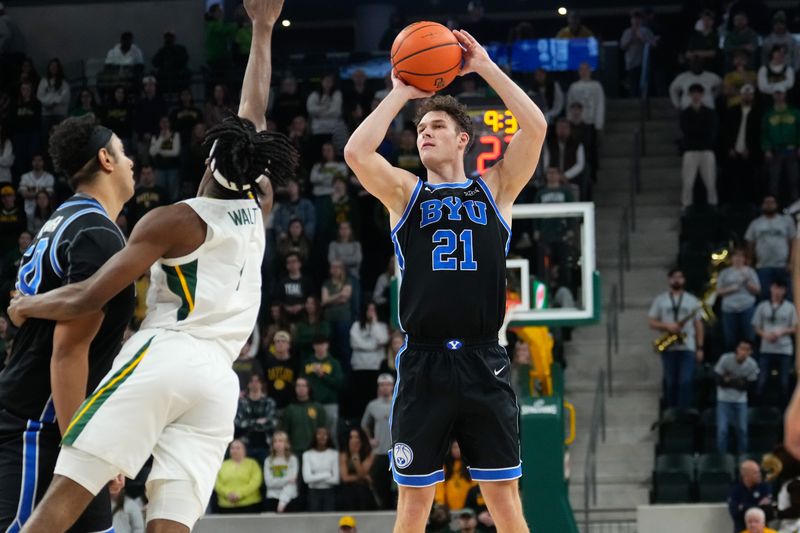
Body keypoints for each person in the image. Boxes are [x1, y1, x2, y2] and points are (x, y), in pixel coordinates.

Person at [8, 2, 297, 531]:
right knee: (171, 523)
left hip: (167, 355)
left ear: (210, 159)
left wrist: (28, 305)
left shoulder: (174, 220)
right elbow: (254, 116)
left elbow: (86, 298)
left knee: (63, 499)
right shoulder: (260, 204)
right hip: (219, 381)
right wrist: (262, 29)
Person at [344, 27, 546, 533]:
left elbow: (536, 126)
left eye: (436, 126)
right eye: (420, 130)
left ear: (463, 138)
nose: (424, 133)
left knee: (505, 503)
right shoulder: (405, 194)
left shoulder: (495, 189)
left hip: (484, 358)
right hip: (423, 361)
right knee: (413, 505)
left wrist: (483, 65)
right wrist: (400, 92)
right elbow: (357, 153)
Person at [0, 112, 137, 533]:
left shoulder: (57, 222)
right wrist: (81, 449)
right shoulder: (97, 232)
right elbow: (67, 352)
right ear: (106, 159)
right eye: (124, 152)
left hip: (62, 423)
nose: (132, 161)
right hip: (41, 432)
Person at [648, 268, 704, 409]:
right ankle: (671, 411)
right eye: (674, 277)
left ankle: (683, 412)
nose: (677, 280)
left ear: (684, 280)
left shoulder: (692, 301)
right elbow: (651, 322)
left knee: (685, 381)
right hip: (669, 345)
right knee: (671, 381)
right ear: (669, 280)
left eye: (680, 277)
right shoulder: (660, 300)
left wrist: (700, 347)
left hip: (688, 345)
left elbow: (698, 325)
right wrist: (667, 325)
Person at [753, 280, 797, 405]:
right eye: (775, 288)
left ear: (784, 291)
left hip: (784, 349)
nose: (777, 291)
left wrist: (783, 331)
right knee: (762, 380)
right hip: (766, 348)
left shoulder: (790, 307)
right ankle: (759, 406)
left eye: (780, 289)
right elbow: (756, 326)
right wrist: (765, 334)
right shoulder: (763, 306)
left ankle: (783, 409)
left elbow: (795, 327)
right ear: (771, 289)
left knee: (784, 382)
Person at [745, 196, 796, 299]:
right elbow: (750, 243)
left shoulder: (786, 221)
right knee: (763, 297)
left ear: (776, 205)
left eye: (771, 202)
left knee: (787, 298)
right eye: (766, 202)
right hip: (763, 266)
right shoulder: (755, 223)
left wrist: (791, 262)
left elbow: (792, 242)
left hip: (782, 266)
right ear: (762, 205)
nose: (769, 205)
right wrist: (750, 260)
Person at [715, 340, 758, 454]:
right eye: (741, 348)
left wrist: (729, 380)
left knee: (742, 430)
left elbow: (748, 386)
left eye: (747, 350)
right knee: (722, 431)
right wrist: (738, 382)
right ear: (737, 349)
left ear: (750, 352)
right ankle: (722, 457)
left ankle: (742, 457)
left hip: (741, 401)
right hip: (723, 400)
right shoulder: (726, 359)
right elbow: (718, 380)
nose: (743, 352)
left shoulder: (752, 364)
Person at [679, 84, 718, 208]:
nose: (696, 96)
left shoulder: (709, 112)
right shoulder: (685, 113)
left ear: (702, 95)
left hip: (706, 150)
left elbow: (711, 130)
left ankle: (713, 206)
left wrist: (700, 133)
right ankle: (686, 206)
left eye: (698, 93)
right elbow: (686, 130)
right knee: (688, 182)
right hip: (691, 151)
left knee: (711, 182)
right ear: (690, 95)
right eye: (693, 93)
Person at [720, 84, 760, 204]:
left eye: (750, 94)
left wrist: (750, 149)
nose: (747, 96)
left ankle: (750, 205)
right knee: (729, 181)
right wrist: (729, 148)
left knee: (749, 182)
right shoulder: (732, 111)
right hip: (733, 152)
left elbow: (758, 135)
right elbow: (725, 132)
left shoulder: (757, 112)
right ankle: (728, 205)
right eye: (745, 93)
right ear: (741, 95)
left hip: (749, 154)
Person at [350, 302, 390, 416]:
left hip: (376, 367)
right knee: (360, 398)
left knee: (374, 397)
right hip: (359, 367)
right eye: (369, 310)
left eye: (373, 310)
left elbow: (383, 340)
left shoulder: (381, 326)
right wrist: (374, 346)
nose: (371, 312)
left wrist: (375, 324)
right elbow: (355, 343)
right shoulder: (356, 325)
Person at [362, 373, 395, 510]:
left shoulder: (400, 401)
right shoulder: (372, 405)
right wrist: (370, 439)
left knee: (395, 487)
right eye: (382, 385)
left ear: (393, 386)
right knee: (379, 484)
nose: (385, 387)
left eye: (387, 384)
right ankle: (382, 510)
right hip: (380, 451)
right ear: (379, 387)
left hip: (396, 452)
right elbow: (364, 424)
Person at [717, 247, 760, 351]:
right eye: (735, 256)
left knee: (749, 337)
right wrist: (731, 289)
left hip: (747, 307)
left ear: (744, 259)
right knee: (731, 339)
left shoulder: (750, 272)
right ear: (731, 259)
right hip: (729, 309)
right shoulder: (724, 273)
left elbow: (757, 290)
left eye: (741, 256)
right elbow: (718, 292)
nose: (738, 259)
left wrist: (747, 282)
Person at [302, 335, 344, 436]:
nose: (320, 347)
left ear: (327, 346)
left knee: (331, 433)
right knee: (311, 432)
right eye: (317, 344)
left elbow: (339, 384)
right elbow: (302, 382)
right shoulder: (307, 363)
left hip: (329, 403)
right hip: (311, 404)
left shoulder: (334, 363)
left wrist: (323, 375)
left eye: (322, 344)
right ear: (314, 346)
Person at [234, 373, 277, 463]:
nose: (254, 383)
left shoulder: (269, 402)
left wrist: (250, 423)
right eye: (252, 381)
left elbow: (272, 423)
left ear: (261, 384)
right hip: (245, 444)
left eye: (257, 381)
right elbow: (239, 423)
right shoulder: (242, 403)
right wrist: (258, 422)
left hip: (266, 444)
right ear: (248, 384)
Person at [280, 376, 328, 455]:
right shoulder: (289, 409)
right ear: (295, 388)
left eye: (303, 385)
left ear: (308, 388)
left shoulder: (318, 408)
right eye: (298, 386)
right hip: (295, 450)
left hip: (314, 450)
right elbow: (285, 432)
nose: (301, 388)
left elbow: (322, 430)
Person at [213, 439, 263, 513]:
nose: (235, 450)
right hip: (226, 506)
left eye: (238, 448)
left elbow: (255, 482)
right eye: (232, 448)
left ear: (244, 450)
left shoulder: (253, 464)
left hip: (250, 505)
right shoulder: (222, 465)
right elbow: (216, 483)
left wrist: (239, 494)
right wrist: (227, 493)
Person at [729, 460, 773, 533]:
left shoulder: (764, 487)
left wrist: (744, 507)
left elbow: (769, 512)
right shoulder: (735, 490)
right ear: (746, 476)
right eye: (755, 473)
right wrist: (758, 506)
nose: (759, 475)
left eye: (759, 472)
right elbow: (735, 514)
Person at [302, 426, 339, 512]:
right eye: (319, 434)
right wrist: (327, 474)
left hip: (329, 492)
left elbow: (336, 480)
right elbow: (307, 479)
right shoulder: (307, 454)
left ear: (328, 437)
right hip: (313, 493)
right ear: (315, 436)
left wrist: (314, 477)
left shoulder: (334, 454)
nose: (322, 437)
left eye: (325, 434)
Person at [620, 10, 656, 97]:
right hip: (631, 63)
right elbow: (622, 47)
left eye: (638, 18)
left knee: (645, 85)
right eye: (633, 18)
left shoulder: (646, 31)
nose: (635, 20)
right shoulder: (627, 32)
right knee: (633, 86)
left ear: (641, 20)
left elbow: (654, 45)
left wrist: (642, 39)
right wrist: (631, 39)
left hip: (644, 63)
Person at [339, 427, 376, 511]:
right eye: (351, 437)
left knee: (362, 491)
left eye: (357, 437)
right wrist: (364, 477)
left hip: (363, 489)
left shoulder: (369, 454)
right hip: (348, 489)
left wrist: (355, 455)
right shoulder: (343, 455)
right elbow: (345, 478)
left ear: (362, 439)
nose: (354, 440)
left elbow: (361, 473)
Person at [435, 441, 477, 511]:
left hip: (469, 509)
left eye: (459, 447)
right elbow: (439, 486)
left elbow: (475, 486)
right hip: (448, 509)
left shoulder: (470, 465)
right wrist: (440, 502)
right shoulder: (445, 466)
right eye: (455, 447)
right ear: (450, 449)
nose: (457, 450)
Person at [263, 430, 299, 512]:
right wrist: (286, 480)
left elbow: (292, 481)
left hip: (290, 498)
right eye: (275, 441)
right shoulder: (268, 461)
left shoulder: (292, 459)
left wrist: (283, 501)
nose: (278, 443)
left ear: (286, 444)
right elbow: (269, 483)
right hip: (272, 497)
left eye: (281, 441)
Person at [274, 252, 314, 323]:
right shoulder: (282, 282)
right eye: (289, 262)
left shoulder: (307, 281)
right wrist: (286, 307)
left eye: (294, 261)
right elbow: (278, 299)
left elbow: (312, 298)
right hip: (286, 316)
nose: (291, 264)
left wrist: (301, 306)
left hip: (304, 315)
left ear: (299, 264)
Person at [148, 116, 181, 202]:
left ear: (170, 123)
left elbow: (175, 152)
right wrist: (161, 138)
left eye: (167, 122)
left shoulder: (175, 135)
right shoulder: (156, 136)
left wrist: (160, 152)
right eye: (163, 122)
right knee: (160, 192)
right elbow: (152, 153)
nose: (165, 124)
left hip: (172, 168)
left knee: (173, 193)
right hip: (159, 168)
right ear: (160, 124)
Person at [263, 330, 298, 411]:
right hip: (272, 404)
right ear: (274, 345)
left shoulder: (295, 362)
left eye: (283, 341)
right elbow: (264, 382)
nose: (280, 344)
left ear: (289, 345)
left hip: (290, 404)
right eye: (277, 341)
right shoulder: (268, 362)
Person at [127, 164, 167, 228]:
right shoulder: (135, 193)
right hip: (140, 226)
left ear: (153, 174)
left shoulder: (161, 192)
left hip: (157, 225)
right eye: (144, 173)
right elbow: (131, 214)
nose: (146, 176)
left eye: (148, 173)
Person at [36, 58, 70, 131]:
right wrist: (48, 104)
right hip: (46, 113)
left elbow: (65, 96)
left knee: (62, 135)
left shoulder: (64, 82)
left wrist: (55, 103)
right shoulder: (44, 81)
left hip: (60, 113)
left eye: (55, 66)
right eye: (51, 66)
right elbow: (40, 96)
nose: (53, 68)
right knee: (45, 135)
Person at [293, 296, 331, 360]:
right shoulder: (301, 323)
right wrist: (314, 338)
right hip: (303, 356)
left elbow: (324, 338)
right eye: (307, 303)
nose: (309, 305)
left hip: (320, 356)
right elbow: (297, 340)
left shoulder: (323, 323)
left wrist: (305, 338)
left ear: (317, 305)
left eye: (312, 303)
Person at [18, 153, 54, 220]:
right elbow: (23, 194)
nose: (37, 163)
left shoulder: (49, 177)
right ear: (32, 162)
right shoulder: (25, 177)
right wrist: (42, 193)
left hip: (44, 212)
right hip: (28, 211)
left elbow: (49, 194)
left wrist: (31, 193)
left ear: (43, 162)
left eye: (39, 160)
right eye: (35, 160)